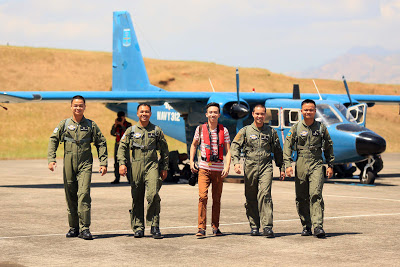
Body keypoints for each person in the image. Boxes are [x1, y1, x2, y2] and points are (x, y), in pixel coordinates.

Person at [48, 95, 108, 240]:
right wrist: (51, 159)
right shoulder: (64, 124)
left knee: (84, 194)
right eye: (75, 105)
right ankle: (73, 227)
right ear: (71, 107)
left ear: (85, 107)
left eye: (81, 105)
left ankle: (85, 228)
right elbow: (53, 139)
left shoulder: (91, 125)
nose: (78, 108)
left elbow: (101, 142)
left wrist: (103, 162)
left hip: (85, 163)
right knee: (70, 194)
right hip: (69, 162)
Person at [231, 104, 285, 237]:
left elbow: (278, 150)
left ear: (265, 115)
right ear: (253, 114)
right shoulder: (245, 131)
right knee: (250, 197)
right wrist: (236, 162)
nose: (260, 116)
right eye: (257, 114)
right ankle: (254, 225)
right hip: (250, 166)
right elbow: (235, 146)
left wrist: (281, 167)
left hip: (266, 166)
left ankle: (267, 226)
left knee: (265, 195)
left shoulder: (271, 132)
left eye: (262, 114)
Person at [283, 99, 334, 238]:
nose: (308, 112)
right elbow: (287, 146)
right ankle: (306, 225)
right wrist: (288, 165)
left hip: (316, 163)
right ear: (301, 111)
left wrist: (330, 165)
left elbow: (328, 146)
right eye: (306, 110)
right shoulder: (296, 128)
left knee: (316, 194)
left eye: (311, 110)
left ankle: (318, 226)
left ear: (315, 111)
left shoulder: (321, 128)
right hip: (301, 163)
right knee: (301, 197)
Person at [117, 103, 169, 239]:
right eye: (142, 112)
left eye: (147, 112)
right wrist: (122, 163)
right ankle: (138, 227)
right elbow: (122, 147)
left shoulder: (156, 130)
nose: (144, 114)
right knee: (137, 197)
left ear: (150, 114)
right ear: (137, 114)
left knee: (153, 195)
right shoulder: (131, 131)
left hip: (152, 165)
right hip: (136, 166)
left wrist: (164, 167)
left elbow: (164, 150)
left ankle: (154, 225)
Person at [189, 102, 231, 237]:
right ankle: (201, 228)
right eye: (210, 112)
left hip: (218, 169)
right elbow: (194, 145)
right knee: (202, 197)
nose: (213, 114)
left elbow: (228, 150)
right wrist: (191, 161)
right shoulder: (200, 129)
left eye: (215, 112)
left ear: (219, 114)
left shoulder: (223, 131)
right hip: (204, 168)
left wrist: (227, 165)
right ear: (206, 114)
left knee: (217, 199)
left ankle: (215, 226)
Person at [110, 111, 132, 184]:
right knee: (116, 162)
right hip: (117, 144)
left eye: (121, 117)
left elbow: (128, 133)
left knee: (127, 162)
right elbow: (112, 133)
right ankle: (117, 178)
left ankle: (130, 178)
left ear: (124, 117)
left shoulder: (128, 125)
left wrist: (122, 125)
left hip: (125, 145)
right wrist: (115, 125)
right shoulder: (116, 124)